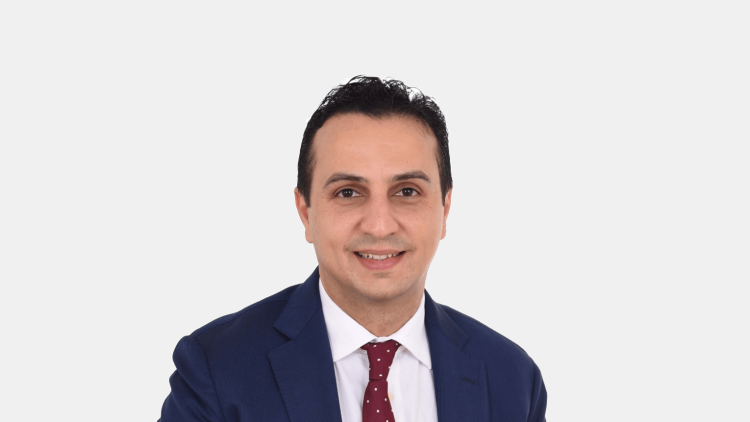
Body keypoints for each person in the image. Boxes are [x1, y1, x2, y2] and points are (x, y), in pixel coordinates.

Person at [159, 76, 547, 422]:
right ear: (305, 211)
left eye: (407, 191)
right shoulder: (216, 368)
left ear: (444, 210)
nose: (379, 225)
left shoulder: (513, 378)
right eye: (348, 192)